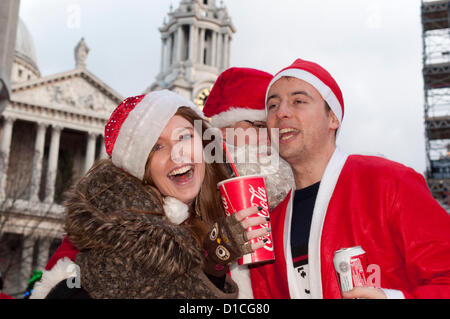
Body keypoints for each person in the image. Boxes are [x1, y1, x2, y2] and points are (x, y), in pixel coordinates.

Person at [31, 90, 270, 299]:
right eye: (157, 146)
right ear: (143, 168)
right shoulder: (112, 227)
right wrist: (213, 264)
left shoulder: (231, 209)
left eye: (185, 136)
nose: (177, 153)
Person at [251, 58, 450, 299]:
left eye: (298, 101)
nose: (281, 112)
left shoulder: (390, 182)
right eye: (272, 105)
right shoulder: (271, 223)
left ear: (333, 118)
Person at [203, 67, 295, 298]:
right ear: (223, 133)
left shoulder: (295, 189)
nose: (270, 138)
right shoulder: (195, 195)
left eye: (274, 128)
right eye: (259, 126)